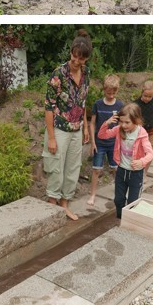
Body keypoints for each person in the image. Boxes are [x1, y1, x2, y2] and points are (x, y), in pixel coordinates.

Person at [45, 29, 92, 221]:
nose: (76, 61)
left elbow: (82, 102)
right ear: (71, 52)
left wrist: (86, 127)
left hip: (77, 128)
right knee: (56, 166)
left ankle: (65, 205)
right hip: (60, 128)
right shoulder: (58, 74)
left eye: (81, 59)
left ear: (86, 59)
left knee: (73, 168)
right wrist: (52, 138)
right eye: (74, 56)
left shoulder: (86, 73)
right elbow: (48, 107)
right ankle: (52, 207)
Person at [97, 103, 153, 219]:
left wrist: (142, 162)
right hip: (121, 171)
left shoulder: (141, 133)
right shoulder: (118, 130)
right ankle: (120, 219)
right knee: (118, 200)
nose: (123, 125)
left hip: (136, 174)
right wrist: (106, 123)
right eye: (121, 121)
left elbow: (150, 153)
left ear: (136, 120)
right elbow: (102, 135)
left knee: (133, 203)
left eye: (127, 122)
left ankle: (130, 223)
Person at [86, 73, 125, 207]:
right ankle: (92, 194)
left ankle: (119, 193)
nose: (111, 95)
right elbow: (92, 123)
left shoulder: (120, 105)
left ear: (117, 91)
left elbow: (123, 124)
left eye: (114, 93)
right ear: (104, 89)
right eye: (108, 93)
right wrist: (93, 142)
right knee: (96, 170)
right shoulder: (98, 104)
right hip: (100, 144)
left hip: (114, 143)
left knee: (116, 169)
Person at [134, 79, 153, 153]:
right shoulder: (136, 103)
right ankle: (141, 162)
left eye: (150, 96)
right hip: (140, 130)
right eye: (145, 96)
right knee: (141, 149)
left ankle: (147, 163)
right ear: (142, 92)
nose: (147, 98)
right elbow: (134, 117)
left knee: (151, 149)